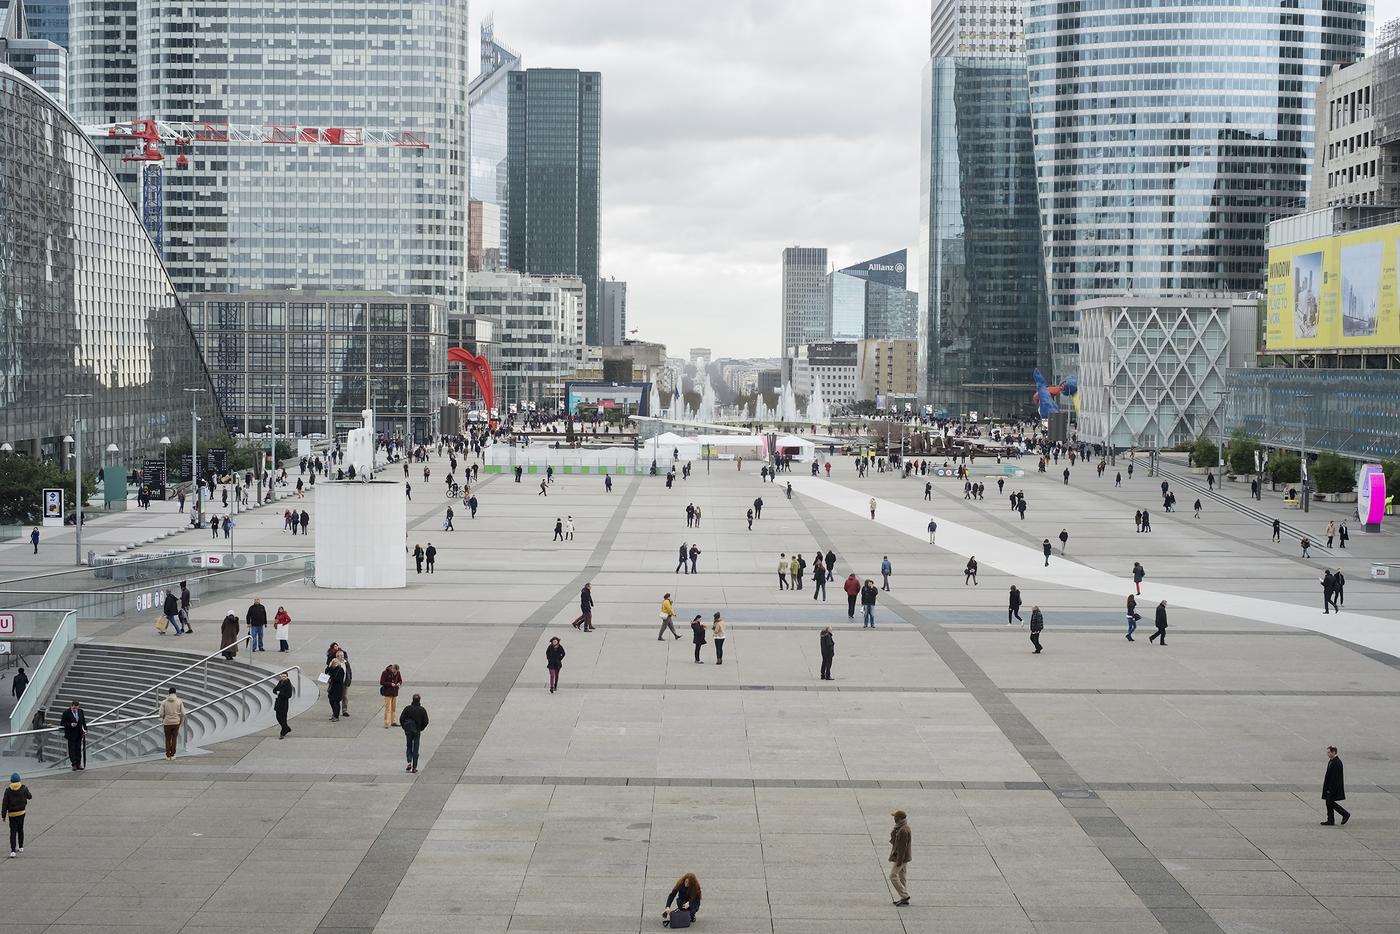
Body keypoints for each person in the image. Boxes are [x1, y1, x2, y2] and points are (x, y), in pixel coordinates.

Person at [3, 772, 31, 857]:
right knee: (20, 829)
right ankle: (21, 846)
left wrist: (3, 815)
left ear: (11, 781)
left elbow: (4, 803)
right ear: (19, 780)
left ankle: (12, 851)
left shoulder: (8, 790)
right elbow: (30, 796)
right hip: (21, 812)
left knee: (13, 831)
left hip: (12, 814)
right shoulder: (23, 788)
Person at [1321, 745, 1349, 825]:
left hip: (1334, 788)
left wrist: (1330, 789)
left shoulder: (1337, 763)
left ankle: (1345, 814)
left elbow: (1335, 779)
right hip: (1330, 787)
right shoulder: (1332, 760)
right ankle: (1330, 820)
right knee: (1328, 802)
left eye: (1329, 752)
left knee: (1330, 802)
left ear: (1334, 752)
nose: (1328, 754)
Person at [400, 694, 428, 773]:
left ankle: (409, 761)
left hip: (408, 730)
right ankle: (414, 767)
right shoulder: (422, 710)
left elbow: (401, 719)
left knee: (409, 746)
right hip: (417, 731)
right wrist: (421, 728)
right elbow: (426, 721)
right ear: (419, 700)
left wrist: (404, 727)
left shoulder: (407, 708)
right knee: (416, 748)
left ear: (412, 700)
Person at [888, 810, 912, 906]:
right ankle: (904, 898)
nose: (894, 818)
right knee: (902, 877)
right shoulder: (901, 827)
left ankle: (905, 895)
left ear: (900, 819)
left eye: (895, 817)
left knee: (893, 876)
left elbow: (902, 848)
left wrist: (899, 861)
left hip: (901, 858)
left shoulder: (903, 831)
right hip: (904, 857)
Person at [158, 687, 185, 760]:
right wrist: (181, 721)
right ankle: (173, 755)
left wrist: (164, 718)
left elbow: (160, 714)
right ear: (175, 693)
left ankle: (168, 755)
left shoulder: (164, 702)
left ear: (168, 693)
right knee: (174, 739)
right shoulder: (179, 701)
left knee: (167, 739)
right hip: (176, 722)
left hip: (167, 723)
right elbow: (183, 713)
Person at [60, 700, 85, 771]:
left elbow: (83, 721)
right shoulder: (66, 713)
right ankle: (74, 764)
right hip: (71, 734)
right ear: (71, 706)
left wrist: (85, 730)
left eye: (76, 708)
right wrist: (70, 724)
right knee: (72, 749)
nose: (75, 710)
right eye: (74, 708)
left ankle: (78, 764)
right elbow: (62, 723)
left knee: (78, 749)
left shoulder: (80, 711)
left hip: (79, 734)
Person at [273, 673, 293, 738]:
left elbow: (289, 695)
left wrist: (280, 694)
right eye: (282, 676)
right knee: (278, 718)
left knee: (283, 719)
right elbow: (275, 689)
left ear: (287, 677)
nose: (283, 677)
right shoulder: (280, 682)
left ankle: (283, 732)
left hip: (284, 704)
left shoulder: (288, 685)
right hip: (278, 703)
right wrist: (276, 691)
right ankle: (287, 728)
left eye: (285, 676)